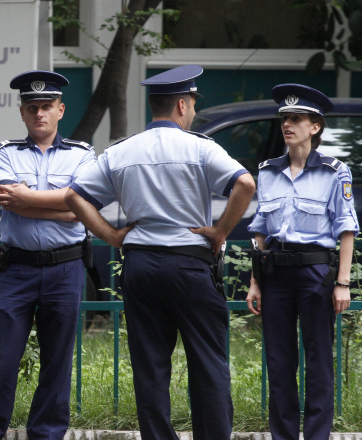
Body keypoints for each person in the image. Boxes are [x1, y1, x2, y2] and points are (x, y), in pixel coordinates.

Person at [65, 65, 256, 440]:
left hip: (140, 267)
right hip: (190, 267)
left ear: (155, 106)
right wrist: (220, 231)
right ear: (182, 105)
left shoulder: (122, 151)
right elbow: (245, 184)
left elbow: (75, 195)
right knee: (208, 363)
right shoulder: (200, 147)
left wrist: (113, 236)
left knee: (150, 368)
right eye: (193, 105)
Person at [0, 70, 121, 440]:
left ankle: (47, 434)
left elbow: (80, 208)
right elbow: (9, 198)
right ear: (22, 112)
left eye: (47, 107)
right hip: (16, 270)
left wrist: (30, 200)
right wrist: (67, 204)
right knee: (1, 360)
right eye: (32, 107)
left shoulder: (83, 155)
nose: (39, 113)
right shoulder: (7, 152)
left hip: (66, 268)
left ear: (60, 110)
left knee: (57, 362)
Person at [246, 84, 358, 440]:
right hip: (275, 272)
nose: (287, 125)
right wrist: (255, 281)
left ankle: (316, 436)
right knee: (279, 363)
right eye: (284, 119)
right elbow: (260, 231)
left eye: (296, 119)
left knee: (319, 361)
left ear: (315, 127)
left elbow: (346, 230)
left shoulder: (334, 172)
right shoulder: (267, 170)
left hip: (315, 274)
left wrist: (342, 283)